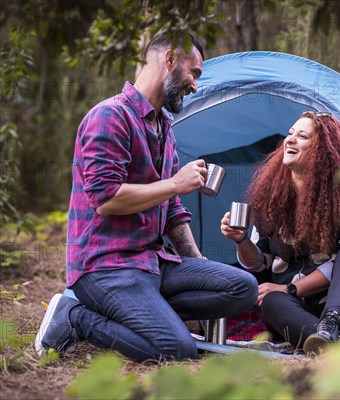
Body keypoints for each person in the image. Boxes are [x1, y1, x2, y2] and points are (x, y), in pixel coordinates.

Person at [34, 30, 258, 362]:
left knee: (243, 287)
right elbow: (106, 200)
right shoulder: (109, 117)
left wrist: (198, 266)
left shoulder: (164, 129)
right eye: (194, 73)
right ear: (170, 60)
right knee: (177, 349)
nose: (196, 85)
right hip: (105, 267)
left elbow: (172, 212)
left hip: (153, 264)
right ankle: (73, 317)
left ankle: (151, 312)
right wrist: (176, 184)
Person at [221, 111, 340, 355]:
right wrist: (241, 240)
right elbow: (259, 264)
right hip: (290, 310)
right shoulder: (271, 197)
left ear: (322, 150)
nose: (290, 140)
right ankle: (333, 344)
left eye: (302, 136)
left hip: (334, 302)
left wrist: (289, 288)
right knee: (270, 301)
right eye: (290, 134)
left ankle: (329, 329)